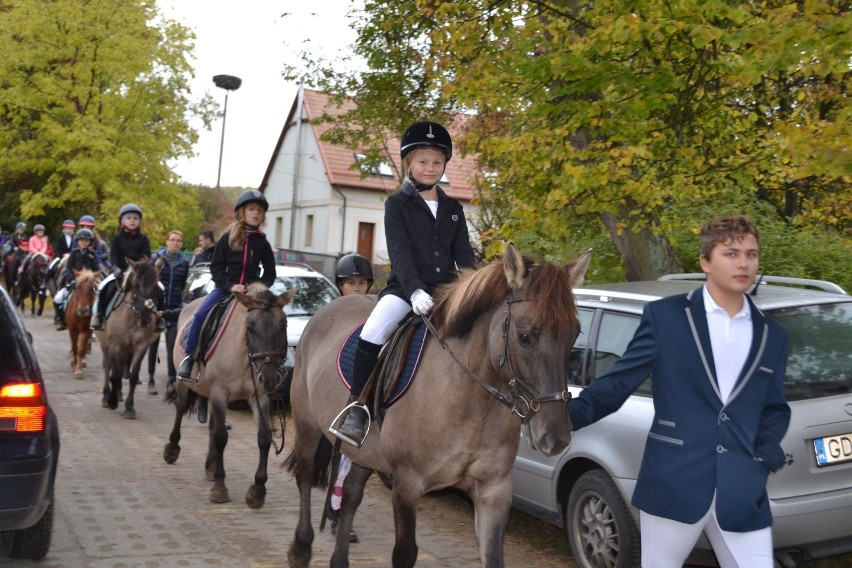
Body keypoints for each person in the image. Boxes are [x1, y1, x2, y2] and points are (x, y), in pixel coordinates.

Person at [568, 215, 791, 568]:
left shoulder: (773, 335)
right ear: (706, 262)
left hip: (742, 489)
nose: (744, 263)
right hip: (675, 480)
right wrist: (563, 416)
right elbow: (618, 382)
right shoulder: (666, 317)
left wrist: (763, 457)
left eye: (751, 254)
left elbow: (776, 408)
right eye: (731, 253)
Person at [331, 121, 477, 447]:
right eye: (423, 161)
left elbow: (465, 259)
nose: (430, 168)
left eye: (437, 162)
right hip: (405, 290)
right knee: (373, 332)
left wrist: (475, 291)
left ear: (445, 166)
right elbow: (400, 253)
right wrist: (414, 291)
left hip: (447, 293)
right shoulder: (397, 205)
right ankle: (357, 407)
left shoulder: (454, 209)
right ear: (408, 164)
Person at [177, 190, 276, 422]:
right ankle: (190, 359)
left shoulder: (262, 242)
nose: (256, 213)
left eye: (259, 211)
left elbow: (270, 273)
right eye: (252, 209)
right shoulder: (227, 237)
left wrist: (257, 288)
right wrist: (230, 285)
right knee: (201, 314)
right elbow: (216, 268)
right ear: (241, 213)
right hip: (225, 289)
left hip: (251, 295)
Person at [327, 253, 374, 542]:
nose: (356, 289)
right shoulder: (330, 314)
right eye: (350, 283)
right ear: (340, 286)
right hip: (334, 389)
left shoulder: (376, 312)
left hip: (362, 389)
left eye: (361, 283)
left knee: (351, 460)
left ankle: (339, 512)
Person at [91, 204, 163, 331]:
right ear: (122, 221)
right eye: (129, 218)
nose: (132, 220)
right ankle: (100, 316)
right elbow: (114, 255)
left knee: (160, 288)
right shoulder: (117, 238)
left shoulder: (144, 239)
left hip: (139, 273)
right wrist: (115, 268)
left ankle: (159, 318)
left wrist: (144, 270)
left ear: (139, 221)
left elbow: (146, 256)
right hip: (121, 272)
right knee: (103, 286)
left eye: (135, 218)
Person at [145, 230, 189, 396]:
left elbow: (182, 283)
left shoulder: (184, 263)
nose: (176, 243)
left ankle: (171, 380)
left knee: (172, 345)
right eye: (173, 240)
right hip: (156, 308)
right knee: (153, 345)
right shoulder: (156, 260)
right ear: (167, 241)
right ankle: (150, 379)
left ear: (181, 244)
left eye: (179, 240)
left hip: (174, 309)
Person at [53, 229, 100, 331]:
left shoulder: (93, 254)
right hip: (75, 282)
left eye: (86, 241)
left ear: (90, 242)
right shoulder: (74, 254)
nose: (84, 243)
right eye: (81, 241)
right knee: (57, 299)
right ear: (78, 242)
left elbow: (96, 269)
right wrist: (72, 280)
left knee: (99, 299)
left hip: (90, 283)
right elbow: (69, 268)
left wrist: (93, 279)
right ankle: (60, 319)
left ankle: (98, 320)